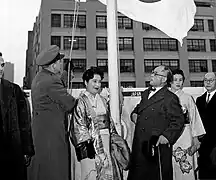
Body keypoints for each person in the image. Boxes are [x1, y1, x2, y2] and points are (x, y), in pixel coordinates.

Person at [127, 65, 185, 180]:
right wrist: (133, 115)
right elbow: (138, 110)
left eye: (155, 73)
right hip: (139, 145)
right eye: (152, 72)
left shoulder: (170, 98)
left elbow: (178, 121)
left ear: (164, 79)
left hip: (156, 148)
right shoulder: (145, 94)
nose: (151, 75)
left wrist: (167, 136)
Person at [29, 45, 76, 180]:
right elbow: (70, 104)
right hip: (52, 136)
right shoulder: (52, 80)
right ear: (54, 64)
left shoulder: (39, 78)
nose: (61, 64)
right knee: (55, 171)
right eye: (60, 61)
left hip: (40, 133)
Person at [70, 66, 125, 180]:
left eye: (100, 82)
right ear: (86, 82)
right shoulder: (81, 102)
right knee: (91, 174)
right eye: (94, 81)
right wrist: (93, 150)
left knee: (108, 173)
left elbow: (110, 123)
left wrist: (115, 142)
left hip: (106, 141)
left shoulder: (103, 100)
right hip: (90, 145)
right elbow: (79, 128)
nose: (98, 85)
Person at [0, 52, 34, 180]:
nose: (1, 69)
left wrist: (27, 149)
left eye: (2, 65)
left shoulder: (14, 90)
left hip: (12, 153)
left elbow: (24, 122)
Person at [168, 69, 205, 180]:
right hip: (169, 134)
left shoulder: (187, 98)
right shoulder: (165, 97)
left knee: (186, 164)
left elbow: (194, 118)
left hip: (185, 134)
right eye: (175, 80)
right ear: (170, 81)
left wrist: (196, 140)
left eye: (180, 80)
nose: (178, 82)